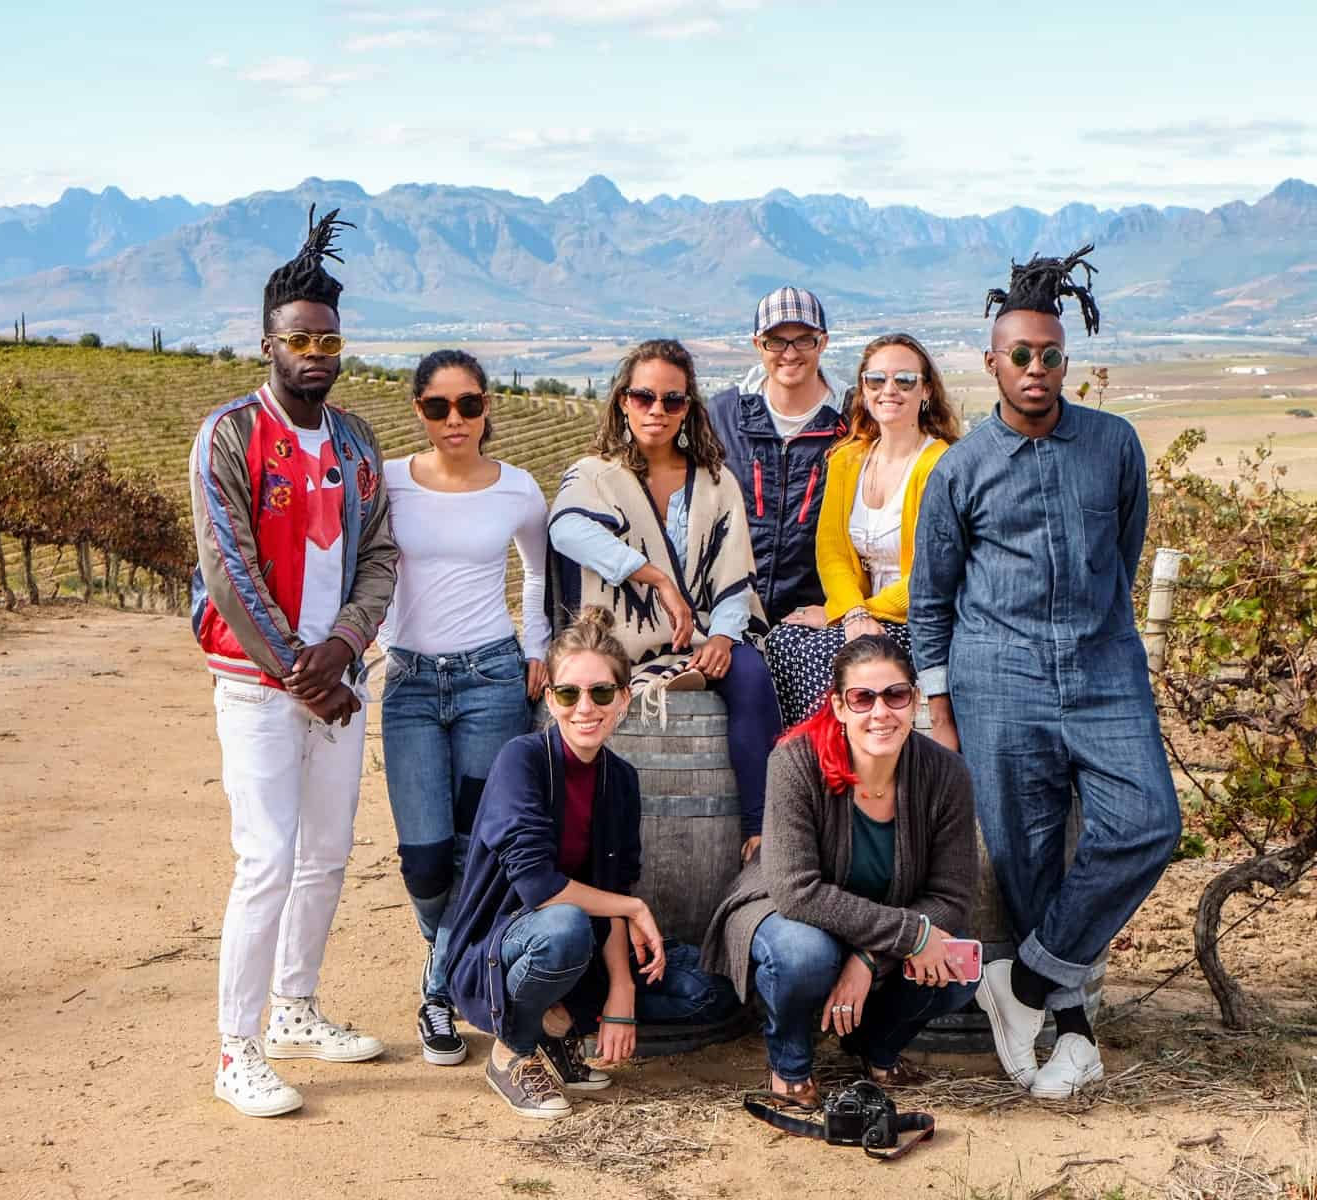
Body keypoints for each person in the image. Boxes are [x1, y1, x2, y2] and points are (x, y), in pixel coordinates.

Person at [908, 245, 1182, 1100]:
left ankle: (1020, 984)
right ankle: (1070, 1029)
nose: (1035, 369)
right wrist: (940, 702)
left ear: (1069, 360)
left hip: (1105, 667)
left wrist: (1093, 629)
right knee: (1027, 860)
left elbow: (1124, 551)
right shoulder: (961, 468)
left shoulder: (1113, 445)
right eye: (1019, 356)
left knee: (1148, 822)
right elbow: (930, 597)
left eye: (1050, 355)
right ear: (991, 364)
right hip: (999, 678)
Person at [188, 207, 397, 1118]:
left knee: (326, 854)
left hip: (338, 681)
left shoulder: (355, 442)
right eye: (299, 337)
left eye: (328, 337)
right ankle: (236, 1049)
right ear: (267, 343)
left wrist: (345, 648)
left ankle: (295, 1010)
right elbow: (226, 564)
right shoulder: (229, 436)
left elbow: (382, 555)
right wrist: (298, 673)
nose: (316, 350)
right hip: (258, 684)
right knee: (266, 856)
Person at [446, 608, 735, 1118]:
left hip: (581, 950)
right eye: (568, 693)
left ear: (624, 700)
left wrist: (621, 991)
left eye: (601, 692)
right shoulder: (522, 759)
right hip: (505, 946)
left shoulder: (619, 778)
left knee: (707, 989)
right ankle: (514, 1047)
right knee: (564, 926)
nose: (586, 707)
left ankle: (560, 1030)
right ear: (550, 697)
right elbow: (538, 887)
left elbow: (614, 882)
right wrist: (631, 906)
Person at [702, 635, 978, 1107]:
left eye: (895, 695)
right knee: (804, 954)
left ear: (914, 701)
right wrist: (908, 935)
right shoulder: (795, 760)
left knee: (957, 967)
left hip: (873, 926)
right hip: (784, 913)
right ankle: (790, 1061)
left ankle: (875, 1047)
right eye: (862, 698)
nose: (880, 712)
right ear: (839, 705)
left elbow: (952, 896)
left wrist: (869, 960)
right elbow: (796, 892)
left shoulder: (945, 773)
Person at [378, 348, 551, 1068]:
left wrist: (536, 647)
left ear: (488, 408)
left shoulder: (517, 489)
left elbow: (539, 569)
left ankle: (439, 991)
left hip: (491, 680)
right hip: (409, 685)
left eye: (469, 405)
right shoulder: (386, 482)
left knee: (474, 846)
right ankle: (448, 957)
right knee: (424, 858)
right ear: (418, 410)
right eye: (438, 407)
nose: (455, 420)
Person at [548, 338, 781, 861]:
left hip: (700, 636)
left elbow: (733, 571)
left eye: (672, 400)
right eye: (643, 397)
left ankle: (760, 830)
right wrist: (655, 578)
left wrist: (723, 636)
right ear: (622, 402)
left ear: (688, 410)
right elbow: (566, 530)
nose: (657, 410)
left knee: (750, 675)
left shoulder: (718, 483)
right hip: (621, 638)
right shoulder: (595, 475)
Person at [763, 334, 960, 728]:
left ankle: (844, 767)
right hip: (859, 615)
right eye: (876, 381)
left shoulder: (941, 464)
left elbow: (931, 575)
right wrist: (851, 612)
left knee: (832, 657)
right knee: (781, 641)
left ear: (926, 391)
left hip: (920, 620)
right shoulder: (848, 458)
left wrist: (855, 614)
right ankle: (812, 757)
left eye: (904, 380)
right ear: (864, 392)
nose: (890, 390)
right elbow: (832, 552)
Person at [706, 286, 849, 626]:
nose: (790, 353)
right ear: (759, 345)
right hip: (727, 609)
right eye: (776, 341)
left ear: (822, 342)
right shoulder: (722, 415)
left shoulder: (853, 418)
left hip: (817, 616)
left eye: (803, 339)